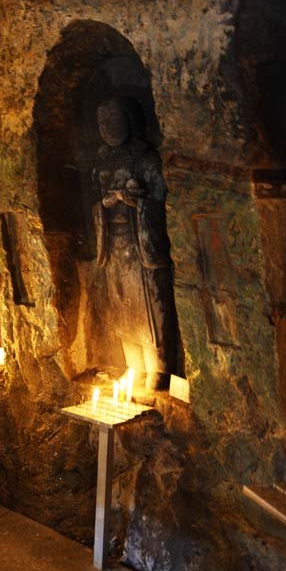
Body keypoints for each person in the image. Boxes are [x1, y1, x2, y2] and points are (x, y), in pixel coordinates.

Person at [92, 97, 177, 389]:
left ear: (130, 120)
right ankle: (134, 365)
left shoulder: (146, 161)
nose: (108, 128)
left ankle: (158, 367)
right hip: (114, 246)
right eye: (103, 123)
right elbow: (97, 202)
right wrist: (103, 205)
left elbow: (160, 200)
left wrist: (136, 200)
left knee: (150, 304)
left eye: (114, 120)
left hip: (141, 244)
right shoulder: (103, 165)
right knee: (121, 305)